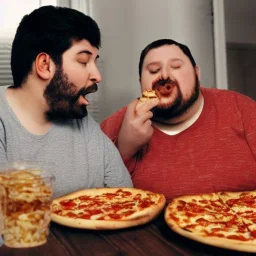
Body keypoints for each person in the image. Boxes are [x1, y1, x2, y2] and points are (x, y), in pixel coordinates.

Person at [0, 6, 133, 198]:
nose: (97, 75)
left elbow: (127, 201)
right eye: (83, 61)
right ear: (45, 65)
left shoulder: (83, 122)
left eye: (95, 62)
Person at [101, 39, 256, 202]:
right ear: (141, 83)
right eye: (153, 70)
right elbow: (96, 201)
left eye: (176, 67)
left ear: (197, 74)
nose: (165, 75)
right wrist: (123, 149)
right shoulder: (114, 125)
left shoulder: (240, 108)